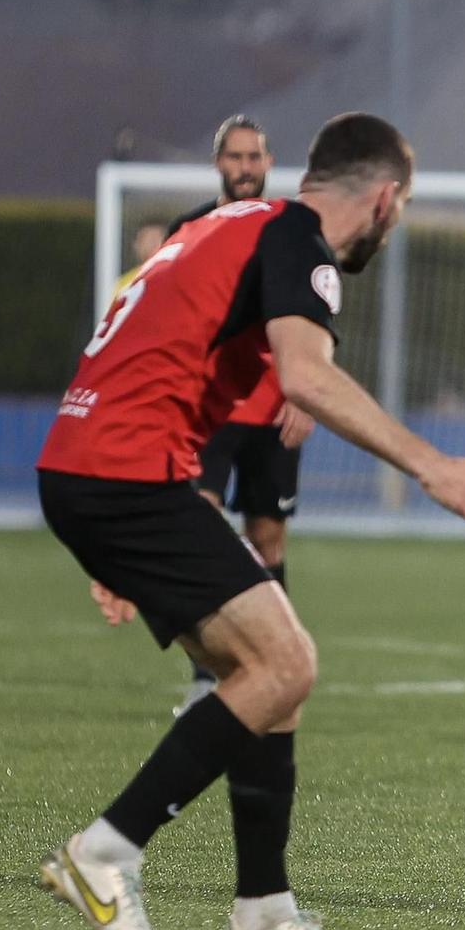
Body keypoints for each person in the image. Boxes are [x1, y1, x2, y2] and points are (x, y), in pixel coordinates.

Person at [36, 111, 465, 930]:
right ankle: (107, 851)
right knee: (287, 663)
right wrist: (432, 467)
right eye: (400, 208)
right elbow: (307, 377)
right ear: (383, 198)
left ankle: (262, 918)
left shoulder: (228, 221)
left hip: (100, 466)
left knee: (269, 678)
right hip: (126, 473)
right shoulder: (300, 241)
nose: (395, 222)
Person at [157, 116, 317, 712]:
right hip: (207, 414)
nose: (245, 168)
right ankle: (208, 671)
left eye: (254, 157)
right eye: (235, 157)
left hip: (276, 412)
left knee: (268, 540)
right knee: (198, 530)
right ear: (217, 162)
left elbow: (313, 323)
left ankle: (276, 670)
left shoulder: (289, 233)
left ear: (270, 163)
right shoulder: (190, 229)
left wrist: (304, 395)